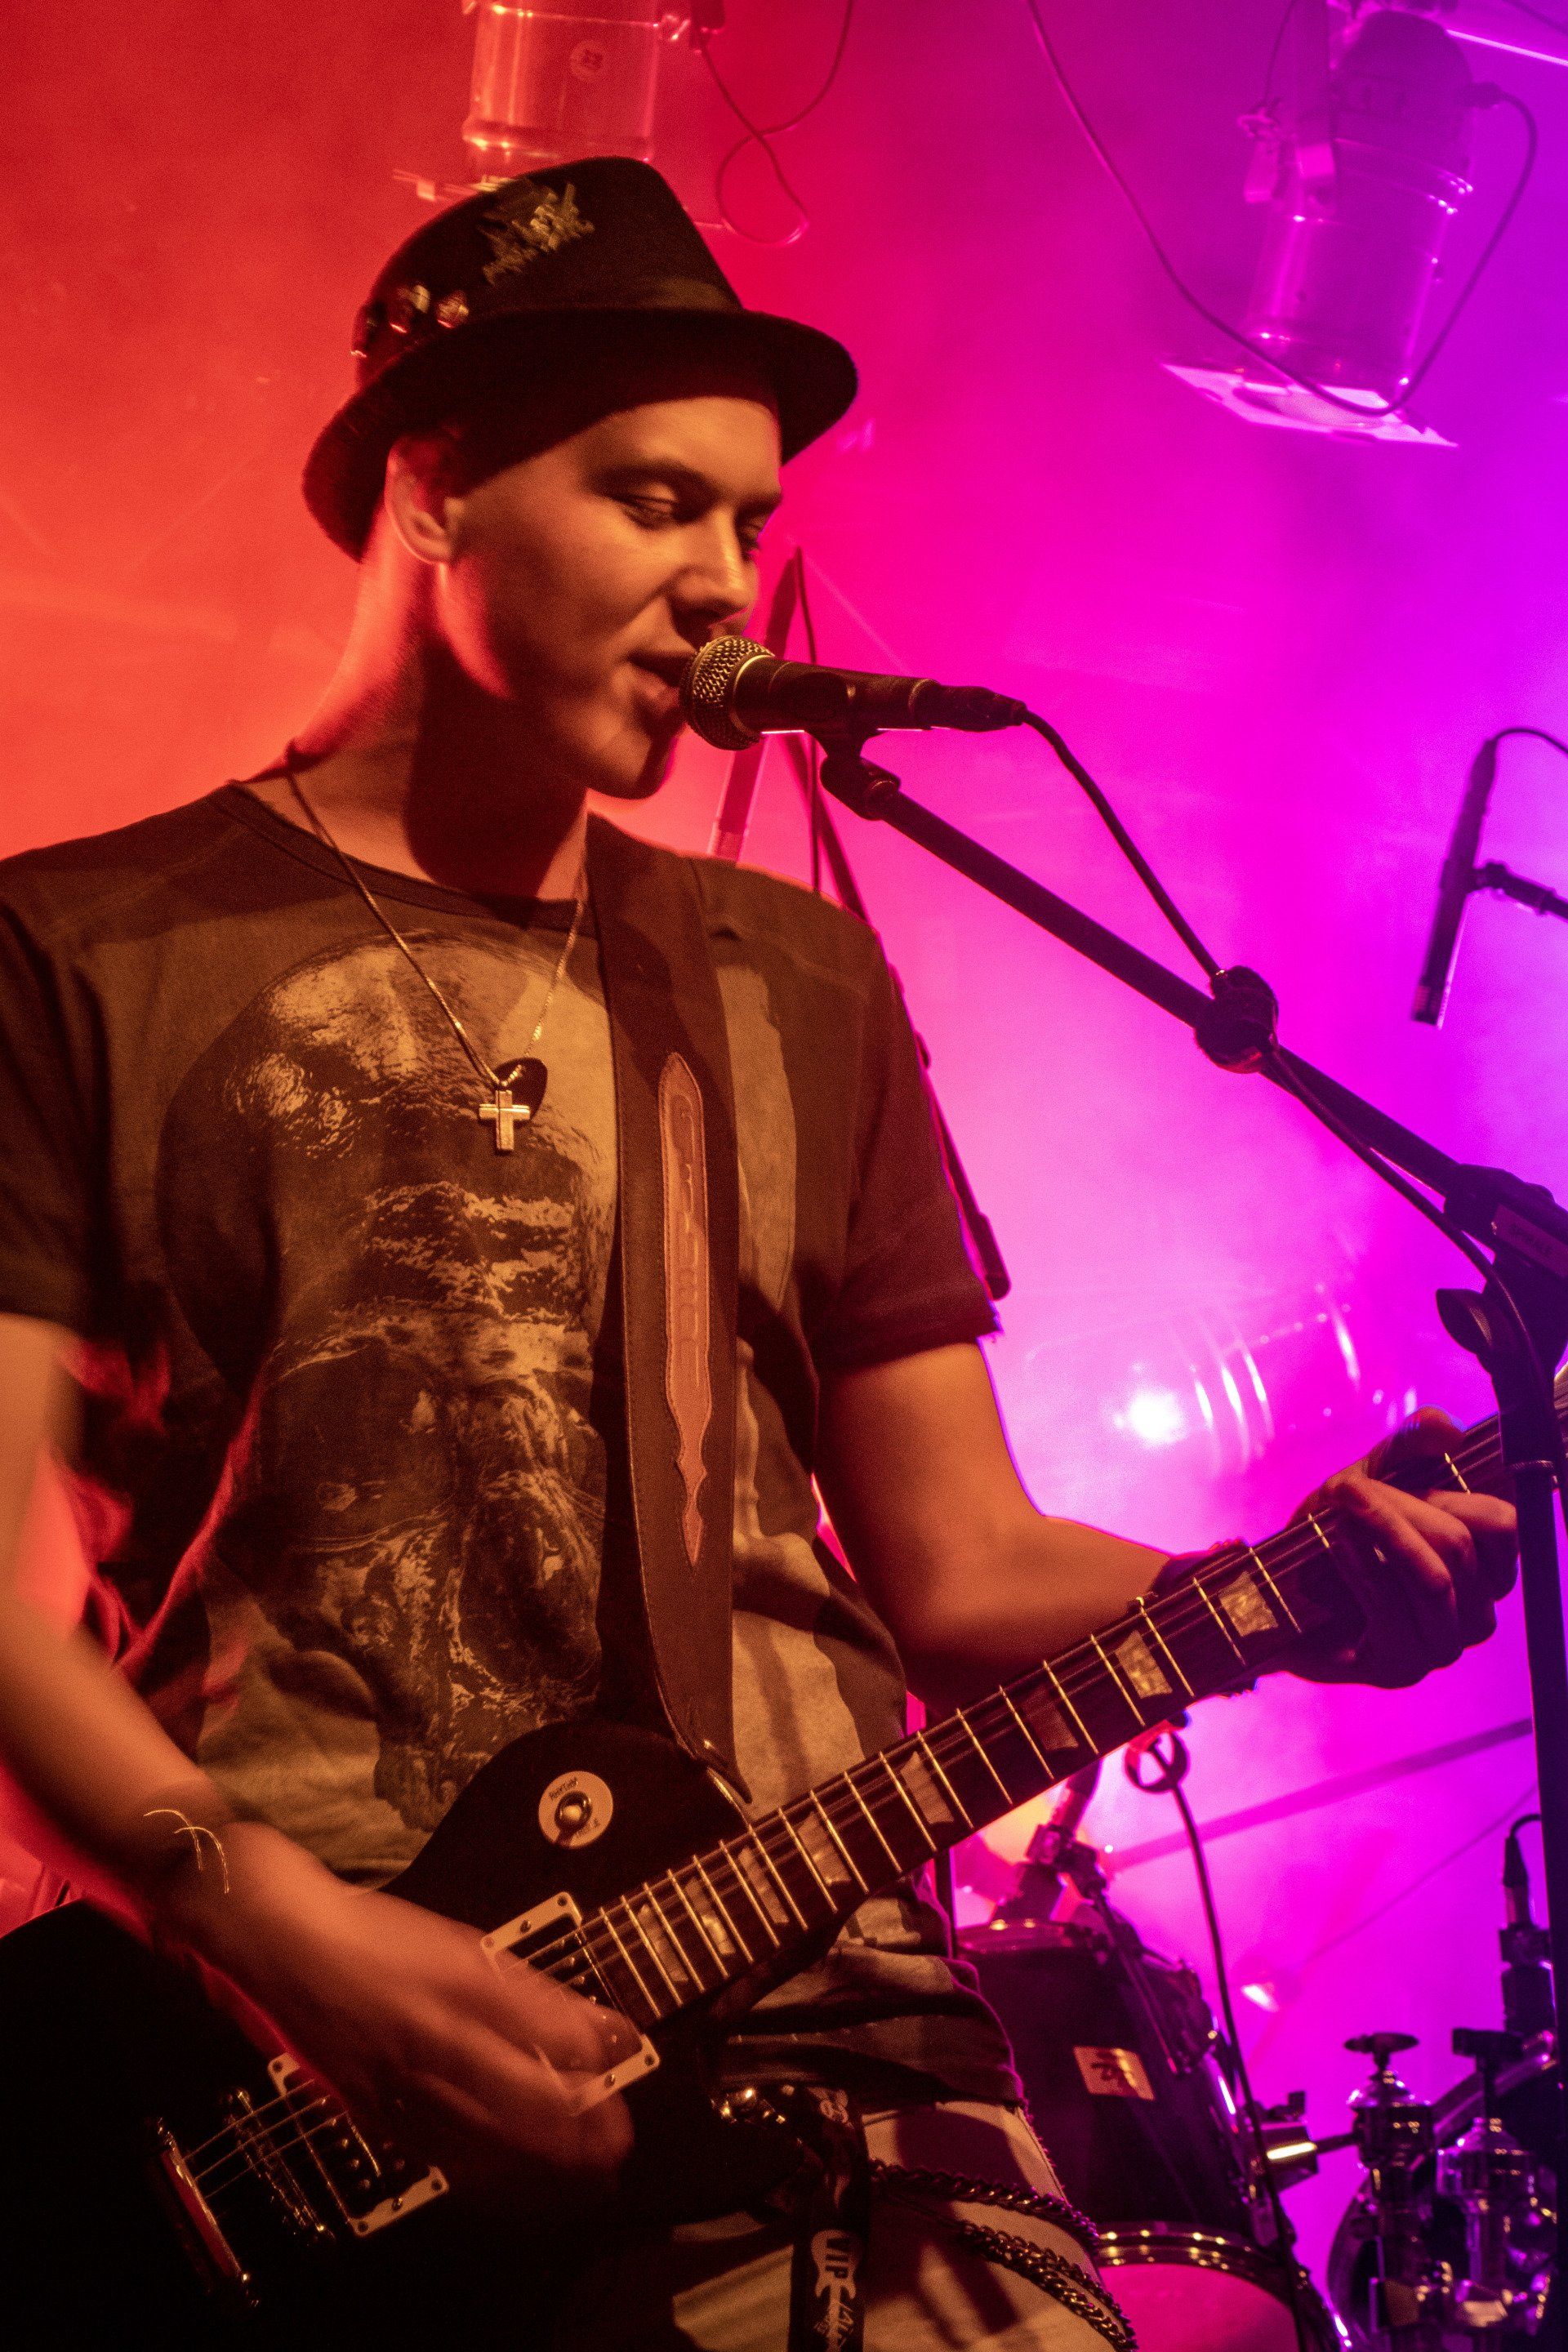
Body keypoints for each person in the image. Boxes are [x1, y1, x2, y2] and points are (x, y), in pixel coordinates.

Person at [0, 159, 1516, 2349]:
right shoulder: (76, 950)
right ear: (432, 491)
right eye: (653, 499)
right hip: (271, 2073)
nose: (732, 581)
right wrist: (306, 1957)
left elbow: (966, 1570)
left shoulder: (782, 978)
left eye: (749, 514)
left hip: (831, 2033)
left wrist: (1269, 1596)